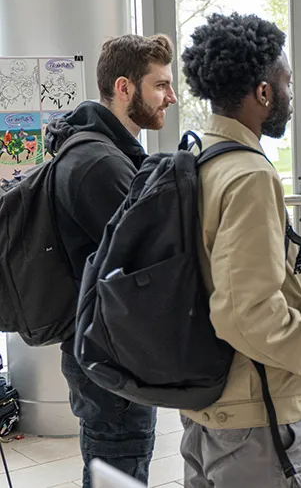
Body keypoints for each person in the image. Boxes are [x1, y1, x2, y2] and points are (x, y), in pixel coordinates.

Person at [179, 12, 301, 488]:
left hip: (206, 402)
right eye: (284, 82)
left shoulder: (197, 154)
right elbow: (245, 312)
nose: (289, 93)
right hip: (251, 415)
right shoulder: (248, 174)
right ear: (263, 93)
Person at [46, 33, 177, 487]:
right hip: (110, 361)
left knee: (113, 467)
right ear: (124, 88)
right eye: (160, 85)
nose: (171, 97)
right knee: (119, 467)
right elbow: (144, 265)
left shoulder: (101, 152)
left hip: (106, 352)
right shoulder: (99, 165)